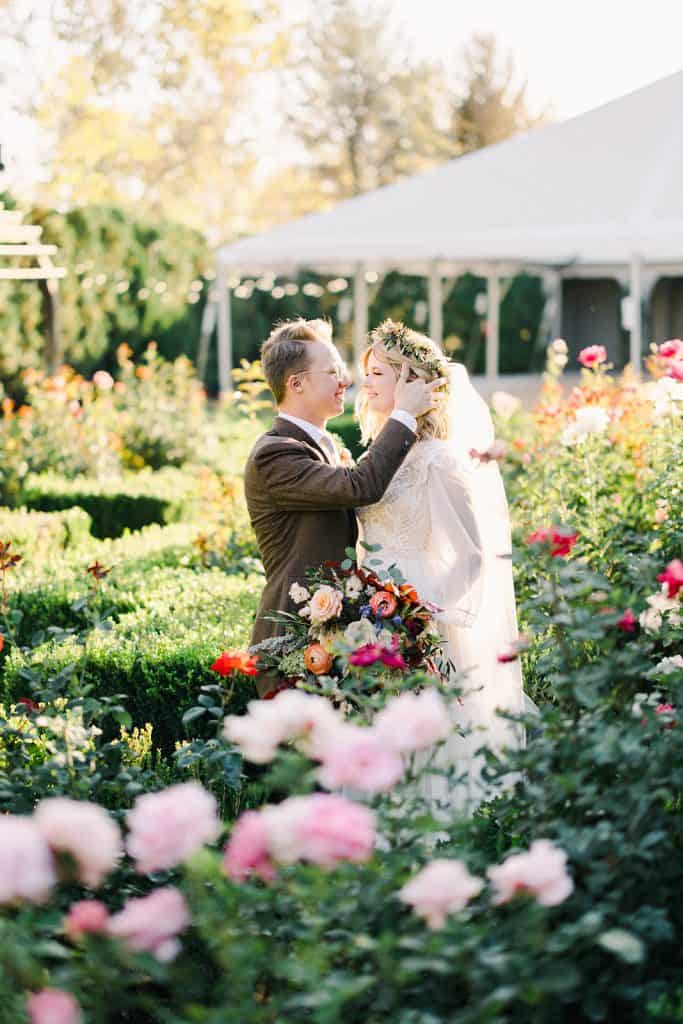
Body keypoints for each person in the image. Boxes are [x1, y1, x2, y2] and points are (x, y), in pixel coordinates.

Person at [356, 319, 527, 812]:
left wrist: (421, 614)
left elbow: (474, 556)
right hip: (370, 614)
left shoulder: (439, 460)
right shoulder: (380, 454)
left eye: (379, 372)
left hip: (418, 620)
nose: (367, 382)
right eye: (368, 372)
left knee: (429, 744)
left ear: (411, 382)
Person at [244, 317, 444, 697]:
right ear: (296, 383)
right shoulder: (275, 454)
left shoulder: (323, 446)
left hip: (340, 638)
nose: (346, 381)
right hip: (295, 643)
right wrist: (404, 413)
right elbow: (360, 486)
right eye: (333, 371)